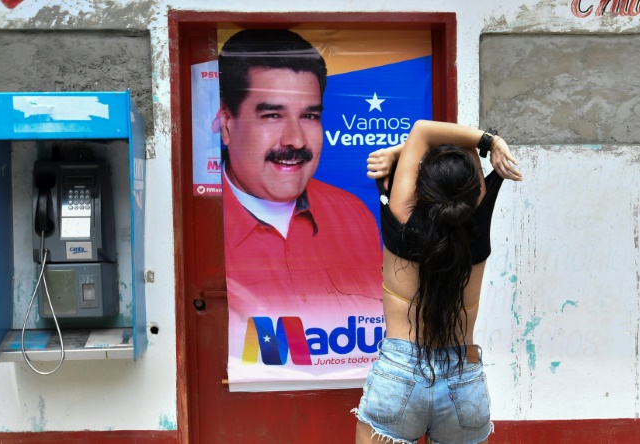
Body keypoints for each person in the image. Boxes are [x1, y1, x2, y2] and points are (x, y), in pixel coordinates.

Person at [352, 120, 522, 444]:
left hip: (400, 375)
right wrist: (492, 142)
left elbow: (422, 132)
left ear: (418, 186)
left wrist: (398, 152)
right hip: (463, 380)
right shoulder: (475, 224)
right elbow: (463, 146)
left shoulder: (402, 215)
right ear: (474, 191)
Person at [218, 29, 382, 316]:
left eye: (309, 116)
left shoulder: (354, 216)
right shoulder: (195, 228)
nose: (295, 140)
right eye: (272, 115)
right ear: (226, 124)